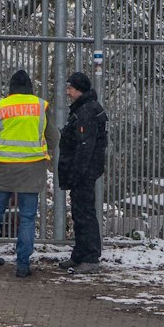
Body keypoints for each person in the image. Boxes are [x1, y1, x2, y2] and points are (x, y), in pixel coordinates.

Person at [0, 69, 50, 278]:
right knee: (27, 218)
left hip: (3, 169)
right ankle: (22, 266)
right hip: (31, 169)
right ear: (30, 88)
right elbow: (53, 137)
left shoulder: (0, 106)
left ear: (11, 89)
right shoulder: (40, 106)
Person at [56, 71, 107, 274]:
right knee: (80, 212)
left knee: (84, 213)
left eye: (70, 88)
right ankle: (80, 253)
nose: (67, 92)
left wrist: (77, 172)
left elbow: (85, 146)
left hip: (83, 172)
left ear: (79, 89)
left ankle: (91, 256)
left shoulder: (86, 111)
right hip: (84, 171)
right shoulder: (86, 108)